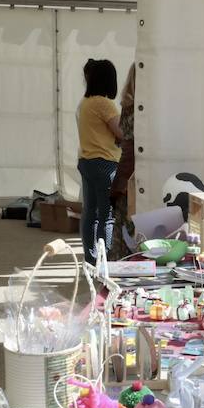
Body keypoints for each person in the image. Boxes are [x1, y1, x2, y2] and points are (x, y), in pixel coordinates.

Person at [76, 59, 123, 260]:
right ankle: (108, 261)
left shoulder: (85, 103)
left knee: (90, 215)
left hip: (86, 162)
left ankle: (91, 258)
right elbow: (121, 132)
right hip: (105, 164)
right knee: (107, 216)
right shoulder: (104, 104)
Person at [108, 65, 137, 260]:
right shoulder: (141, 111)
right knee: (131, 232)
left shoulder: (127, 107)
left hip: (125, 173)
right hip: (132, 176)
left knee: (122, 230)